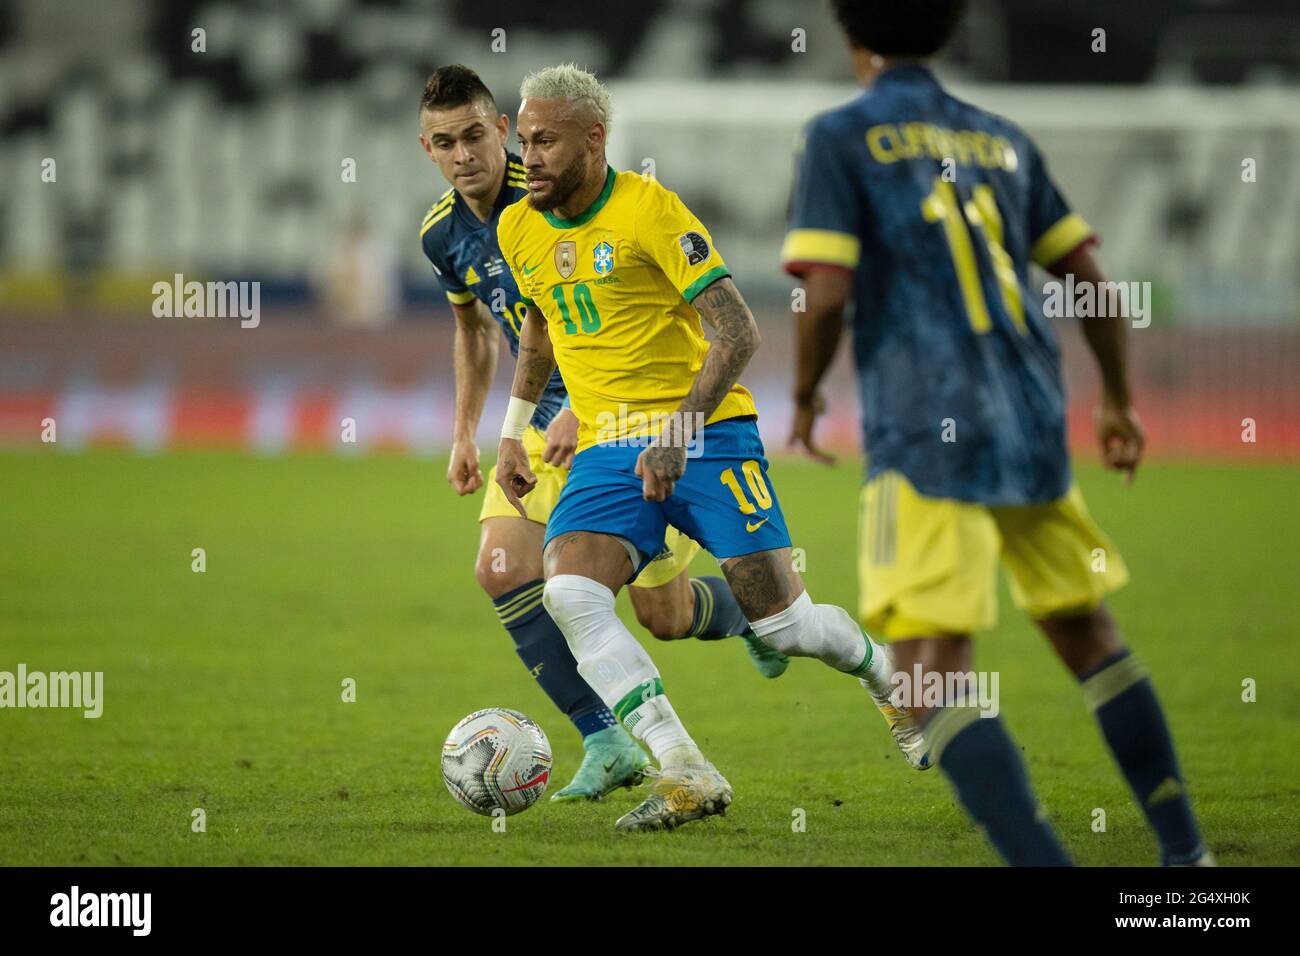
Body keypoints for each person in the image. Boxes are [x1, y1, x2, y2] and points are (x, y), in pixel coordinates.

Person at [783, 0, 1211, 866]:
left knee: (929, 672)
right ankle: (1187, 860)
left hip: (928, 430)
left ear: (851, 34)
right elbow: (1088, 276)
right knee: (1089, 633)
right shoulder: (1000, 137)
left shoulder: (841, 134)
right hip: (1031, 421)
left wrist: (803, 393)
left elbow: (824, 291)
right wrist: (1119, 401)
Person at [494, 63, 925, 833]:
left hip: (707, 431)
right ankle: (683, 768)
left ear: (594, 139)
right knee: (570, 592)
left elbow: (739, 330)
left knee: (784, 627)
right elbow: (538, 319)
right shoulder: (517, 225)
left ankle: (895, 681)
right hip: (605, 446)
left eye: (547, 141)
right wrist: (512, 429)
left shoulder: (652, 212)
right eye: (523, 140)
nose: (530, 157)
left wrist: (676, 434)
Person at [418, 65, 784, 803]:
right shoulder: (442, 234)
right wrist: (471, 430)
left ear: (501, 132)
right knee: (500, 567)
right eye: (442, 143)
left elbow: (622, 303)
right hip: (537, 428)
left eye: (474, 136)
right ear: (426, 148)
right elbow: (478, 330)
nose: (463, 156)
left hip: (621, 423)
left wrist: (587, 408)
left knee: (666, 616)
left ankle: (750, 608)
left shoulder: (557, 184)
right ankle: (605, 735)